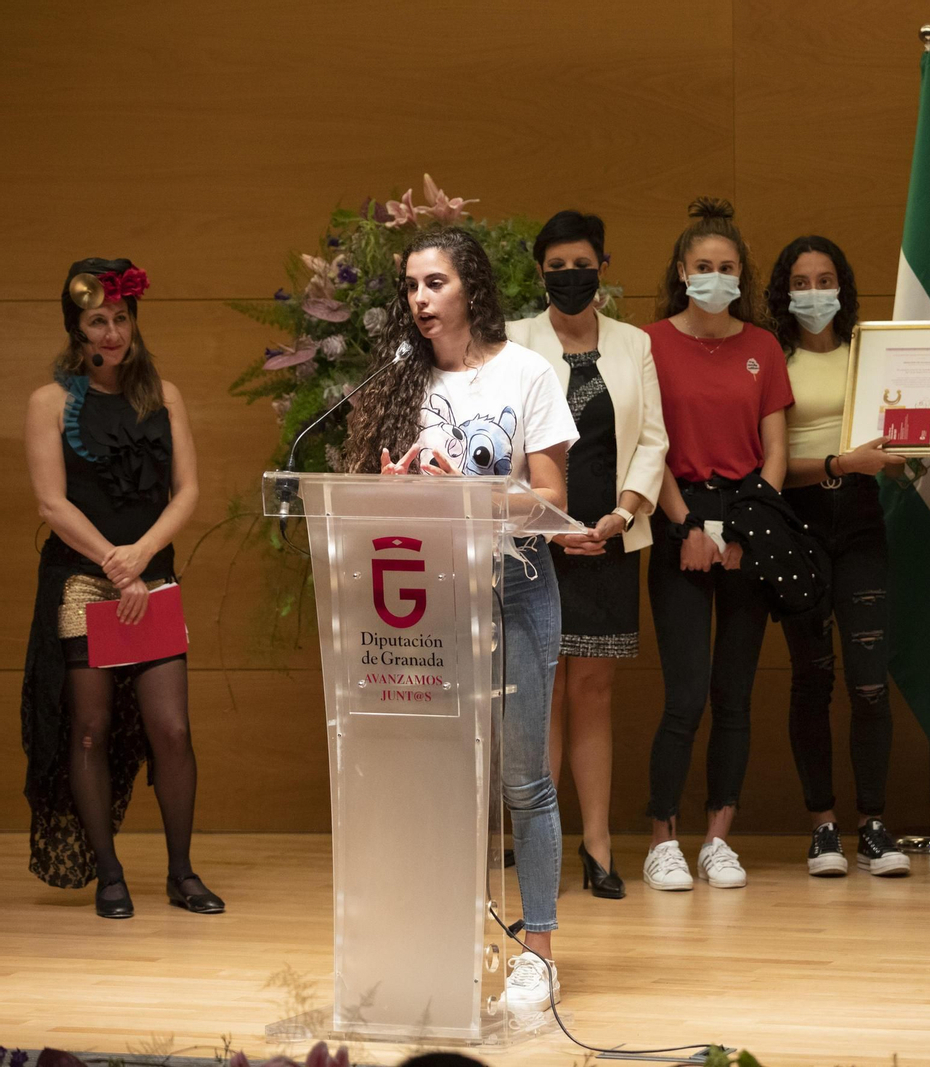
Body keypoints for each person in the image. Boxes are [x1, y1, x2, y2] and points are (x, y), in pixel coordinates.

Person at [343, 227, 578, 1018]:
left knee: (522, 777)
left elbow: (552, 501)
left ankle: (538, 953)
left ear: (471, 289)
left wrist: (470, 493)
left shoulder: (527, 372)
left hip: (516, 587)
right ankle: (434, 939)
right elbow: (380, 506)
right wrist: (397, 487)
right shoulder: (401, 382)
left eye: (434, 282)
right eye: (410, 285)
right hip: (426, 598)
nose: (419, 299)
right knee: (440, 781)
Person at [22, 258, 222, 918]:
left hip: (151, 578)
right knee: (89, 729)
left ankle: (182, 873)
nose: (112, 332)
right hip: (85, 580)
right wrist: (114, 561)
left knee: (172, 728)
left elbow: (188, 490)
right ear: (76, 331)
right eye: (97, 321)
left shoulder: (161, 394)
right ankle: (109, 873)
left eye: (121, 317)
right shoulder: (49, 403)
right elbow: (52, 503)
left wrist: (141, 557)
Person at [506, 210, 668, 900]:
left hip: (607, 535)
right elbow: (499, 444)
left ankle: (597, 842)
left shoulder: (635, 344)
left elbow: (653, 440)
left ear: (604, 266)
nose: (569, 276)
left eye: (582, 264)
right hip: (533, 542)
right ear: (540, 271)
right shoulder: (511, 342)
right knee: (540, 694)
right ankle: (533, 836)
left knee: (593, 692)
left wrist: (623, 512)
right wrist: (547, 523)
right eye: (556, 266)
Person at [641, 198, 791, 892]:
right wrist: (687, 529)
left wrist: (742, 531)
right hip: (677, 518)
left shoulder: (762, 347)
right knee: (686, 694)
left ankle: (718, 838)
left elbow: (777, 451)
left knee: (735, 692)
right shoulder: (650, 343)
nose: (715, 276)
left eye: (727, 267)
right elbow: (651, 446)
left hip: (749, 522)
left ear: (742, 274)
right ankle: (662, 837)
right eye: (703, 266)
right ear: (681, 270)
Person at [764, 235, 909, 877]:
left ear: (843, 287)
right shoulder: (771, 357)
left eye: (826, 280)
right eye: (802, 281)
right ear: (783, 291)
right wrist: (835, 462)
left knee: (871, 683)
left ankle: (874, 825)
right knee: (813, 678)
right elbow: (764, 466)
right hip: (797, 524)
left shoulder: (868, 354)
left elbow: (903, 430)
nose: (814, 293)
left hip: (860, 520)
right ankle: (823, 827)